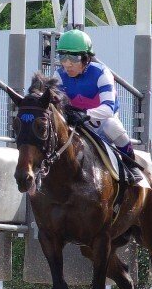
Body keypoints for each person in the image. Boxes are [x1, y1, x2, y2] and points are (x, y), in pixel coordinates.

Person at [53, 29, 144, 188]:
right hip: (75, 123)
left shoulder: (102, 73)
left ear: (86, 58)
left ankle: (132, 165)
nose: (67, 64)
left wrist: (85, 115)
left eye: (73, 57)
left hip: (101, 122)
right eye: (63, 57)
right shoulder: (59, 75)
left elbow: (108, 109)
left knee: (112, 126)